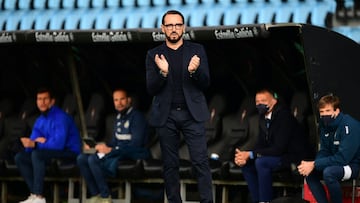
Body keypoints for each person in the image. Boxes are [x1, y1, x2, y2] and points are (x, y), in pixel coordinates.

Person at [145, 9, 213, 203]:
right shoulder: (153, 54)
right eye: (170, 25)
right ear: (163, 28)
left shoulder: (197, 50)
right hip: (166, 116)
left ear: (183, 27)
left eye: (177, 25)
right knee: (170, 164)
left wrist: (194, 72)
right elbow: (151, 88)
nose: (174, 29)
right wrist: (163, 73)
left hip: (192, 114)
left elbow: (206, 83)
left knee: (201, 162)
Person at [234, 89, 313, 203]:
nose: (260, 104)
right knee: (247, 164)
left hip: (293, 157)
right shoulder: (262, 117)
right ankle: (257, 200)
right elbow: (261, 144)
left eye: (263, 101)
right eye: (257, 101)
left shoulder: (284, 116)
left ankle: (265, 201)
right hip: (277, 156)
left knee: (261, 162)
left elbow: (279, 148)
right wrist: (244, 155)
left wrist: (251, 154)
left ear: (274, 101)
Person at [77, 88, 150, 203]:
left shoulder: (137, 117)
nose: (119, 103)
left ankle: (106, 197)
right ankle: (96, 195)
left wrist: (111, 150)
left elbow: (136, 145)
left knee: (93, 159)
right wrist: (97, 146)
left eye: (122, 99)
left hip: (133, 153)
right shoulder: (118, 117)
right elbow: (114, 142)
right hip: (118, 152)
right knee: (81, 158)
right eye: (116, 100)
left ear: (128, 100)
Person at [15, 87, 81, 203]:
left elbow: (58, 145)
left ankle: (39, 197)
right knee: (20, 157)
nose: (42, 102)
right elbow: (31, 144)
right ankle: (34, 194)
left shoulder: (61, 117)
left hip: (69, 152)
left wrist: (36, 144)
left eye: (45, 99)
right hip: (50, 152)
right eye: (39, 99)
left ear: (52, 101)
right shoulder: (40, 120)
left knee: (37, 154)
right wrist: (31, 144)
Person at [297, 94, 360, 203]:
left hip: (352, 166)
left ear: (337, 111)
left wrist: (314, 164)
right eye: (322, 112)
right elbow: (324, 150)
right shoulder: (324, 125)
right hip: (333, 162)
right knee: (310, 173)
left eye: (328, 111)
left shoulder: (350, 125)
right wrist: (313, 165)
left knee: (329, 172)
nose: (324, 114)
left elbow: (343, 159)